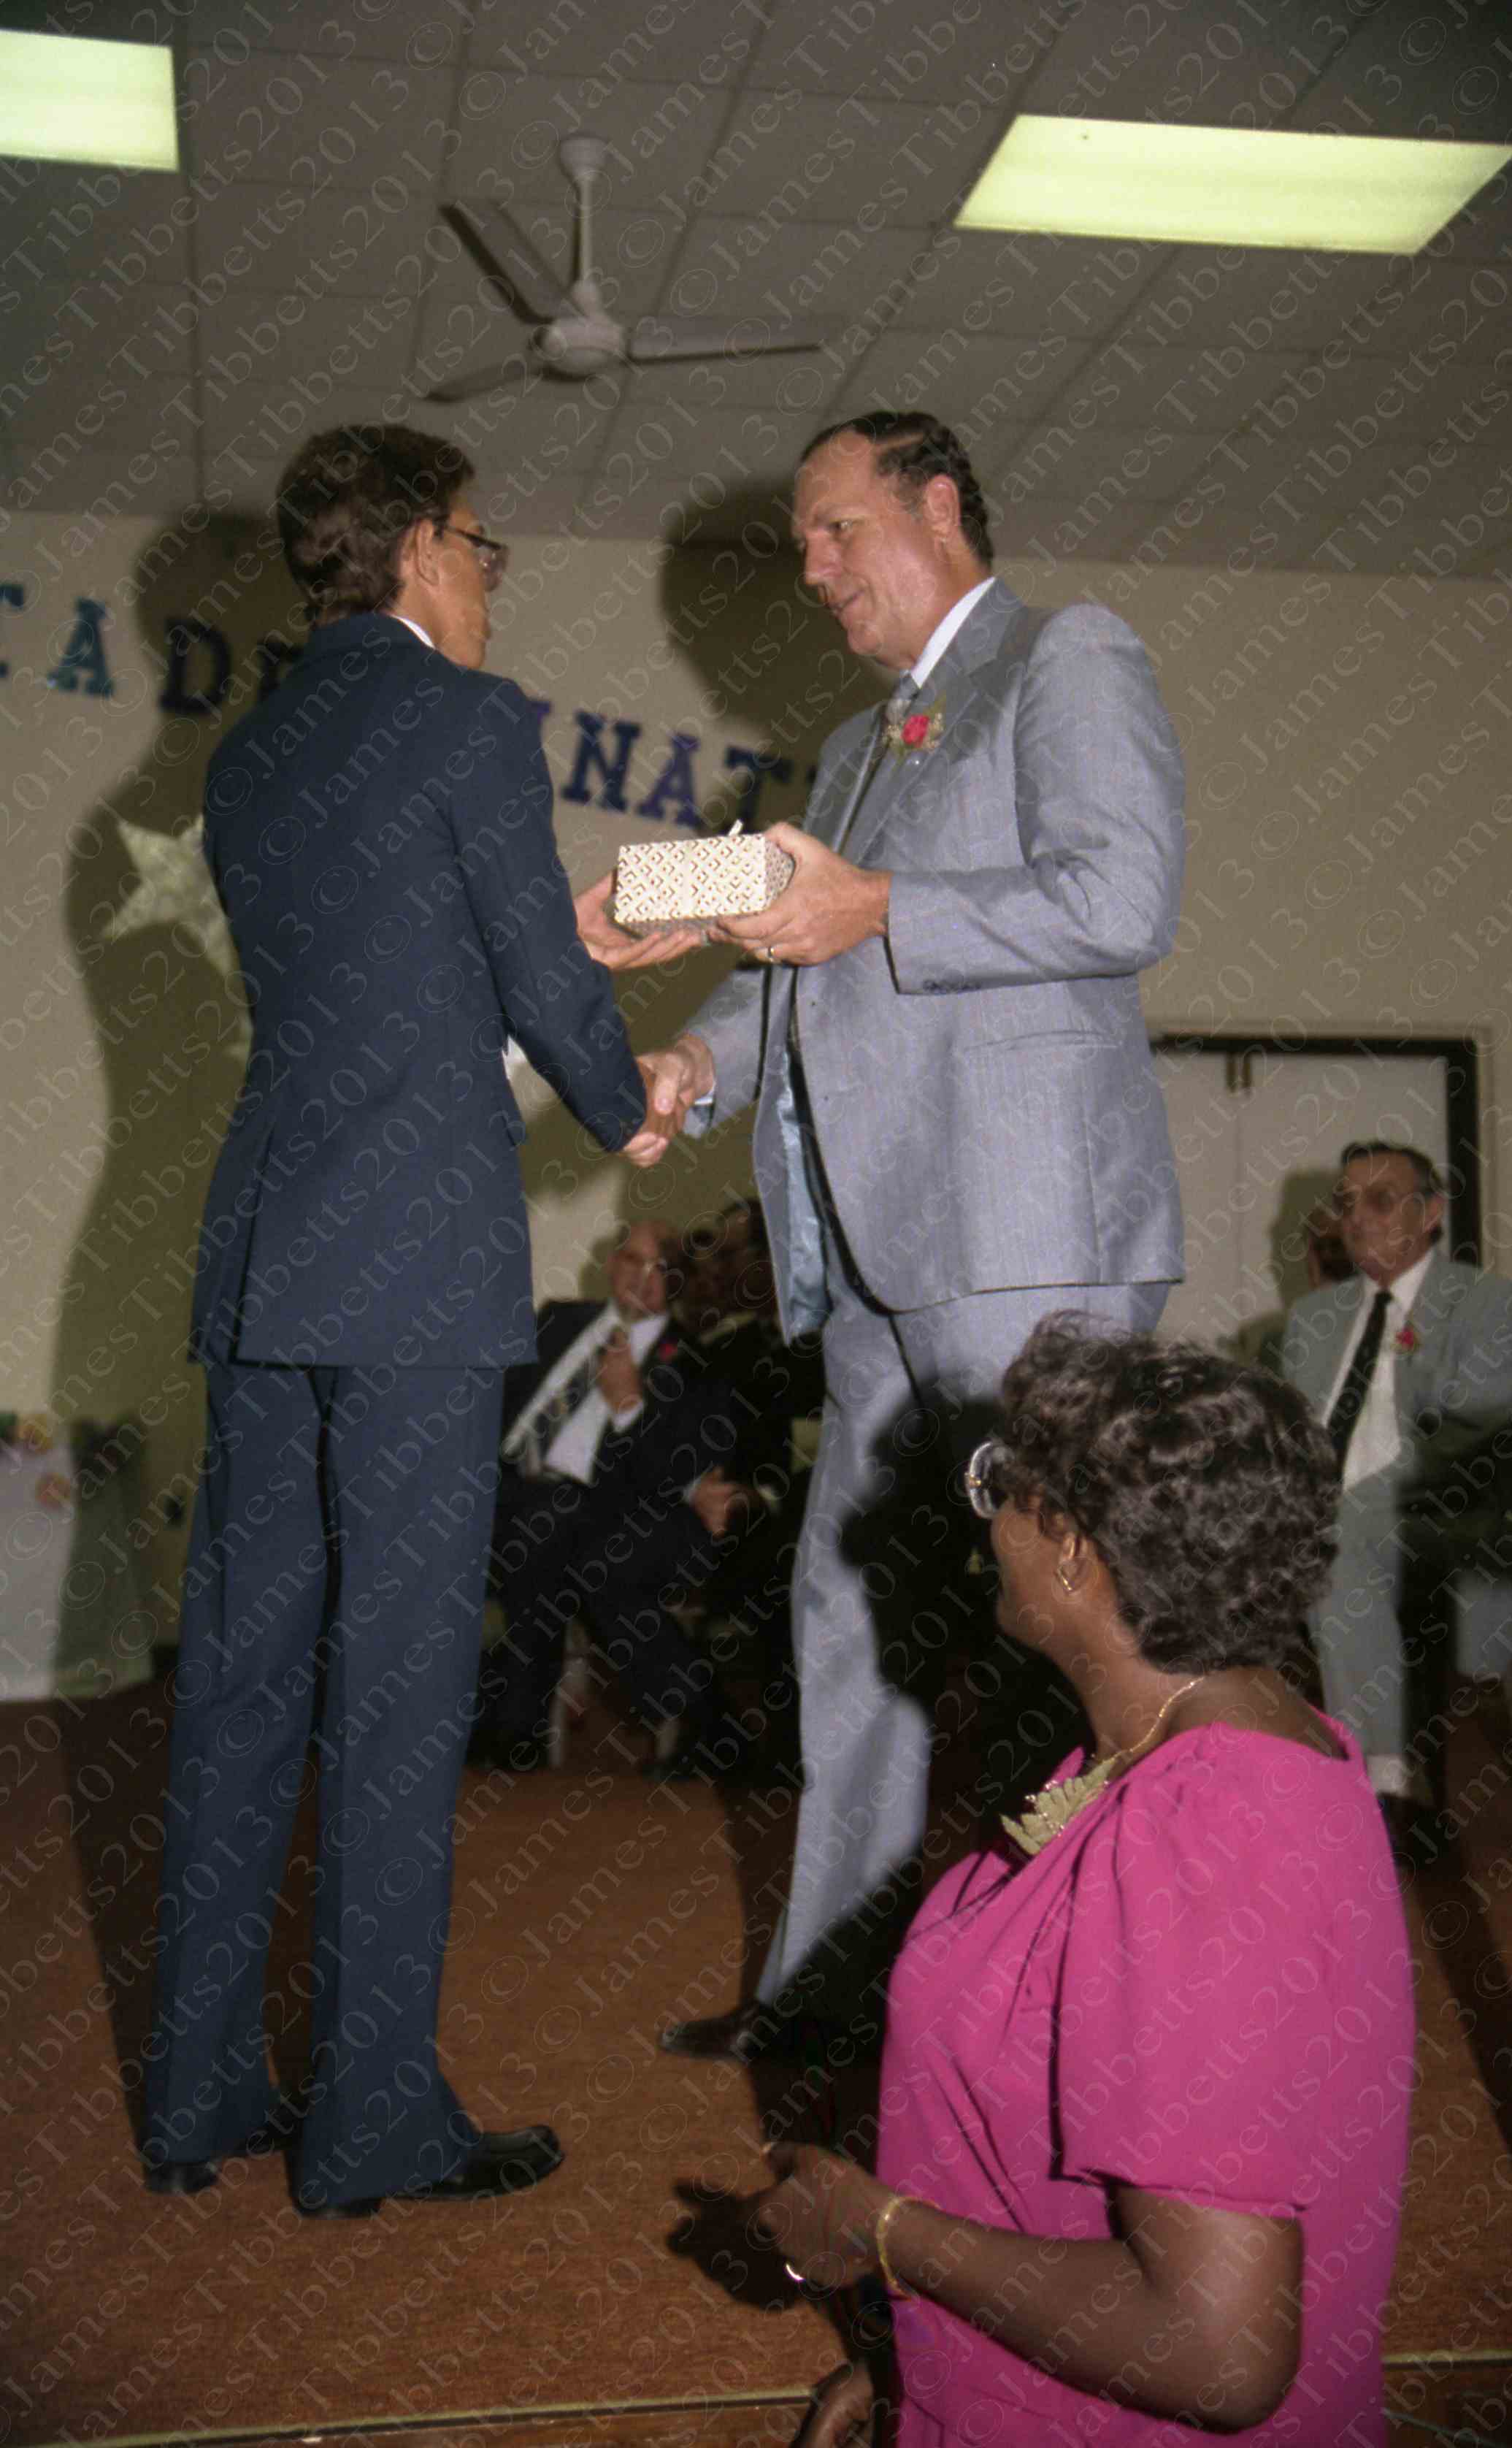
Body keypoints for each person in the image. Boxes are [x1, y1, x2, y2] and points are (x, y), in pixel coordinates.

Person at [624, 410, 1186, 2061]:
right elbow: (802, 958)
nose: (810, 568)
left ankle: (1091, 2010)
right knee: (846, 1617)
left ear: (938, 505)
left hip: (1029, 1233)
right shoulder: (858, 744)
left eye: (832, 527)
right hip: (872, 1250)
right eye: (799, 542)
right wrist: (693, 1061)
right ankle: (829, 1994)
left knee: (1072, 1628)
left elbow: (1122, 896)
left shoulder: (1065, 655)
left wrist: (871, 904)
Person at [141, 423, 656, 2215]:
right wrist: (630, 1096)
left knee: (239, 1675)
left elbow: (389, 978)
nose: (491, 577)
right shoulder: (468, 721)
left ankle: (199, 2090)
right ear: (424, 546)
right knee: (400, 1684)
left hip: (266, 1252)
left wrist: (540, 961)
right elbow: (531, 978)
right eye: (482, 545)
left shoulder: (252, 748)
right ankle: (367, 2120)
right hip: (415, 1265)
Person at [755, 1318, 1413, 2448]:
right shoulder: (1200, 1736)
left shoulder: (1199, 1833)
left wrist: (881, 2234)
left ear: (1073, 1549)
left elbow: (1219, 2350)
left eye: (999, 1488)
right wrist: (930, 2355)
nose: (986, 1523)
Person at [1281, 1139, 1512, 1837]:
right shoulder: (1312, 1321)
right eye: (1347, 1203)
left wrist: (1341, 1509)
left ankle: (1384, 1779)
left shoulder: (1485, 1304)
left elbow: (1469, 1436)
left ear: (1431, 1213)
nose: (1356, 1218)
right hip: (1319, 1513)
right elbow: (1287, 1440)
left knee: (1341, 1534)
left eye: (1380, 1201)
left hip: (1440, 1513)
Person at [471, 1218, 753, 1776]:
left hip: (593, 1509)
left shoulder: (694, 1362)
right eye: (632, 1261)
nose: (642, 1278)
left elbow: (675, 1479)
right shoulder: (557, 1320)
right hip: (504, 1490)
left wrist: (628, 1407)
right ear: (610, 1264)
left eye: (661, 1269)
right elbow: (490, 1410)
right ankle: (495, 1720)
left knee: (548, 1528)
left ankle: (516, 1726)